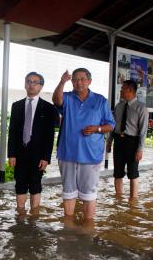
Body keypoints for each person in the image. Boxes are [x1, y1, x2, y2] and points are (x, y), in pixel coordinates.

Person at [52, 68, 115, 220]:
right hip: (67, 153)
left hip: (91, 155)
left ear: (89, 81)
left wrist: (97, 129)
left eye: (82, 79)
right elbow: (56, 100)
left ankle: (88, 227)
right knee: (68, 192)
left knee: (89, 194)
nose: (78, 82)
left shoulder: (100, 100)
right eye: (75, 79)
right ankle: (68, 226)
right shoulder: (67, 97)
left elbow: (111, 125)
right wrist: (62, 82)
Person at [8, 72, 58, 216]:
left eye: (35, 82)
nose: (31, 84)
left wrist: (46, 157)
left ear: (41, 86)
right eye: (28, 81)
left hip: (38, 153)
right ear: (25, 84)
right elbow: (12, 132)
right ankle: (21, 214)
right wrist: (11, 154)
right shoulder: (16, 106)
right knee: (20, 182)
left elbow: (49, 135)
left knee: (36, 183)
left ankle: (34, 216)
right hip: (19, 151)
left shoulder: (48, 107)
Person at [106, 80, 148, 200]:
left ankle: (133, 202)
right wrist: (109, 142)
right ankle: (118, 200)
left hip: (132, 143)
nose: (121, 91)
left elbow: (143, 131)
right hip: (119, 142)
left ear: (130, 90)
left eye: (122, 89)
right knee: (117, 173)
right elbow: (114, 126)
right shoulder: (119, 107)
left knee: (133, 174)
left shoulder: (141, 109)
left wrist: (140, 149)